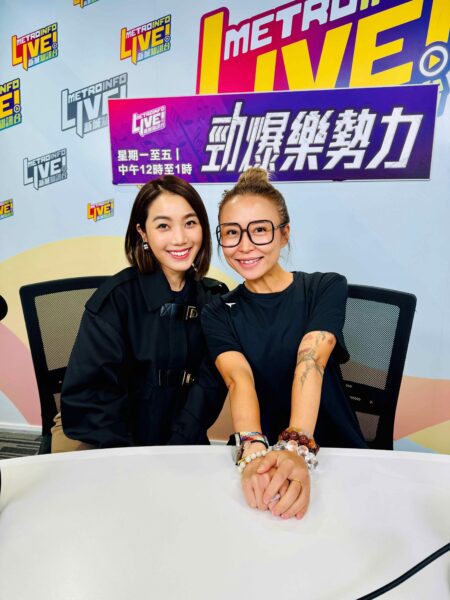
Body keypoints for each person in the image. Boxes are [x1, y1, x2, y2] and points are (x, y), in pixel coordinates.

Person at [201, 168, 367, 520]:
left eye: (260, 230)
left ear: (284, 233)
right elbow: (239, 380)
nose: (245, 245)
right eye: (231, 232)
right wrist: (253, 450)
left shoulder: (324, 287)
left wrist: (296, 448)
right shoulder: (217, 311)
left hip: (334, 454)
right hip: (262, 456)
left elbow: (311, 360)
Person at [52, 175, 228, 452]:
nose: (180, 238)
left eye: (190, 223)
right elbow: (91, 397)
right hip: (107, 439)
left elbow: (209, 385)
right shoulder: (115, 300)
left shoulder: (212, 298)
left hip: (180, 438)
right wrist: (135, 457)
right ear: (143, 233)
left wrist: (180, 440)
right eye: (163, 226)